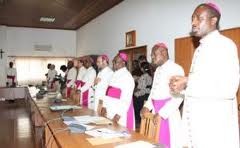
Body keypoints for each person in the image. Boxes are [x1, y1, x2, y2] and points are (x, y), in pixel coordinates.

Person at [169, 3, 239, 148]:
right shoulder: (199, 50)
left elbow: (228, 89)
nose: (193, 23)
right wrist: (181, 86)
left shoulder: (225, 45)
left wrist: (188, 82)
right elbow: (201, 85)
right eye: (192, 18)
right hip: (195, 130)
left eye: (199, 18)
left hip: (214, 131)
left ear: (213, 21)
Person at [141, 43, 184, 147]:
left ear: (163, 53)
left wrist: (162, 113)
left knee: (167, 142)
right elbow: (153, 92)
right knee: (156, 142)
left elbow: (178, 97)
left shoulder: (176, 68)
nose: (151, 58)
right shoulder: (158, 70)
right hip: (156, 111)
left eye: (153, 55)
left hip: (168, 113)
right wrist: (147, 106)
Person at [101, 52, 135, 130]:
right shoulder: (114, 74)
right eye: (113, 61)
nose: (113, 63)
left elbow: (126, 100)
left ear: (123, 62)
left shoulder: (127, 77)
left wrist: (118, 115)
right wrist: (104, 106)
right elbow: (107, 92)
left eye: (115, 61)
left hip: (120, 114)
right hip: (110, 110)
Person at [133, 62, 152, 127]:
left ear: (142, 69)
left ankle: (139, 125)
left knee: (138, 112)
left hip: (140, 96)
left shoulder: (144, 76)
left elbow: (140, 87)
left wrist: (134, 90)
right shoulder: (151, 75)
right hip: (147, 95)